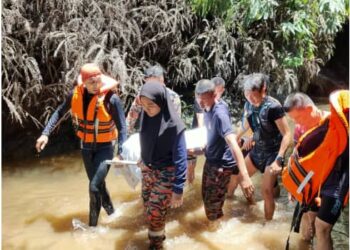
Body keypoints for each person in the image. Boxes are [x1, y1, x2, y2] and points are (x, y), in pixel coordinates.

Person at [35, 63, 127, 227]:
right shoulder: (74, 95)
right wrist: (45, 134)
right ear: (83, 82)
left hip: (105, 148)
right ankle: (113, 214)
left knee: (93, 187)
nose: (96, 85)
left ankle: (92, 228)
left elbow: (122, 127)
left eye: (98, 81)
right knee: (98, 185)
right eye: (91, 82)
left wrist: (121, 152)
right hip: (85, 147)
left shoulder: (111, 99)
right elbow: (59, 112)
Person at [283, 92, 349, 250]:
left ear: (310, 109)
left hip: (338, 178)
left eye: (298, 118)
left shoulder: (337, 124)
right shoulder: (301, 131)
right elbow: (298, 161)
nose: (297, 123)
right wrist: (295, 188)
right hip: (315, 179)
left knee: (322, 227)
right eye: (292, 120)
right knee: (307, 221)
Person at [193, 79, 254, 229]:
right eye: (198, 98)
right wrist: (202, 149)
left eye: (204, 100)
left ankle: (217, 233)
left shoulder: (220, 114)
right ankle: (218, 223)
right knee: (207, 199)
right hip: (211, 159)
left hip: (221, 165)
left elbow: (233, 144)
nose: (200, 103)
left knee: (212, 207)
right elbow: (213, 135)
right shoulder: (206, 107)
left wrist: (245, 176)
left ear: (214, 95)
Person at [229, 73, 291, 220]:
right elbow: (247, 124)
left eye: (254, 96)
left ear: (264, 90)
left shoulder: (274, 107)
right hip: (257, 151)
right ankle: (252, 205)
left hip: (273, 154)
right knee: (239, 177)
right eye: (247, 96)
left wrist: (279, 159)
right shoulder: (248, 104)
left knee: (266, 190)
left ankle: (268, 223)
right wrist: (236, 139)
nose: (251, 100)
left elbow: (287, 134)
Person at [138, 81, 187, 249]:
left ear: (161, 102)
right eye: (143, 105)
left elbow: (181, 159)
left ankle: (156, 245)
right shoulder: (146, 117)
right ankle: (158, 237)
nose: (146, 109)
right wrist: (142, 159)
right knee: (148, 209)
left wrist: (178, 189)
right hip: (149, 170)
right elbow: (145, 142)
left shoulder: (174, 125)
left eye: (150, 105)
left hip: (168, 172)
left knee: (155, 212)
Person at [126, 65, 181, 134]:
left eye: (152, 83)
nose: (149, 87)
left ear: (161, 80)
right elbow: (133, 114)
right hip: (147, 134)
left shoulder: (172, 97)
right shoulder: (142, 95)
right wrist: (126, 133)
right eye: (147, 83)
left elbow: (176, 121)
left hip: (166, 135)